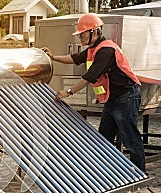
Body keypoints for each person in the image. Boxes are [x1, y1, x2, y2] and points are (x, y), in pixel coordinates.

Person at [41, 13, 145, 172]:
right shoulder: (93, 49)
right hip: (113, 99)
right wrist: (53, 57)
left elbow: (90, 76)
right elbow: (75, 58)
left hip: (126, 97)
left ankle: (139, 174)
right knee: (104, 138)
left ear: (94, 32)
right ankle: (106, 174)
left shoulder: (106, 50)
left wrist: (68, 92)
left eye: (82, 34)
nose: (80, 38)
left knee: (130, 138)